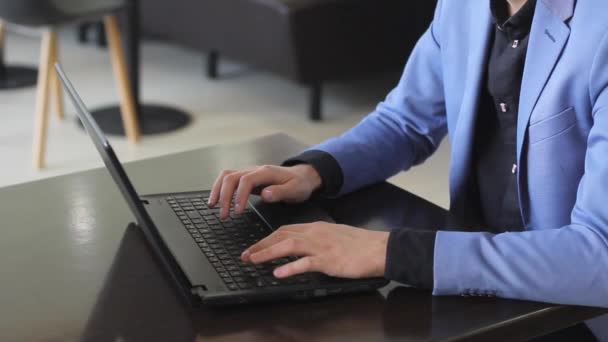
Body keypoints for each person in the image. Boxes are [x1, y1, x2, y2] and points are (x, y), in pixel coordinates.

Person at [209, 0, 608, 339]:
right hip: (471, 287)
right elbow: (406, 120)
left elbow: (600, 258)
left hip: (571, 314)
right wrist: (315, 171)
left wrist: (389, 250)